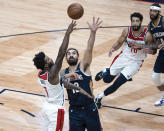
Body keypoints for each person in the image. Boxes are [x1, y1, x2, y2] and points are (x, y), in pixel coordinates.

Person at [33, 21, 92, 131]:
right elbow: (61, 53)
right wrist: (67, 33)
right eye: (48, 58)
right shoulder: (52, 74)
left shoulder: (41, 74)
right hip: (56, 111)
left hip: (46, 108)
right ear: (46, 64)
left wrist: (77, 87)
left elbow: (61, 82)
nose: (51, 58)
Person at [94, 12, 148, 109]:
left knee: (117, 84)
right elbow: (119, 42)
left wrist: (141, 47)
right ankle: (105, 70)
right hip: (123, 58)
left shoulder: (146, 34)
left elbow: (153, 48)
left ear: (141, 22)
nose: (135, 23)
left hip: (135, 62)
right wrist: (113, 48)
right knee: (107, 80)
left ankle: (99, 97)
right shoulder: (126, 31)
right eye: (133, 21)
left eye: (137, 21)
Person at [60, 17, 102, 131]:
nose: (71, 55)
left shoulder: (83, 67)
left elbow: (89, 49)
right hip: (74, 111)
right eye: (69, 54)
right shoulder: (63, 72)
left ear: (78, 57)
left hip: (89, 109)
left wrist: (93, 32)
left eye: (74, 53)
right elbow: (54, 80)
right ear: (66, 58)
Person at [130, 3, 164, 106]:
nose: (152, 13)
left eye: (154, 11)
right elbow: (155, 45)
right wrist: (148, 49)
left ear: (159, 12)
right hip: (163, 52)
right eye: (151, 11)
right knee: (155, 77)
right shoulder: (150, 26)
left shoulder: (163, 20)